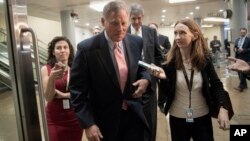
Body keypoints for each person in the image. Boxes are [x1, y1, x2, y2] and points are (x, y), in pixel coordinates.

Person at [69, 1, 151, 141]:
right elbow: (77, 91)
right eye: (114, 23)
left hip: (133, 117)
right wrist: (88, 123)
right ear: (103, 21)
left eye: (124, 23)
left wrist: (146, 79)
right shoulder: (87, 49)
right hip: (104, 122)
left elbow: (142, 67)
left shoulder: (136, 42)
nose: (120, 28)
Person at [149, 19, 233, 141]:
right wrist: (164, 79)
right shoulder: (169, 62)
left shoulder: (205, 59)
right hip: (177, 117)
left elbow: (216, 85)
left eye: (182, 33)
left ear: (195, 35)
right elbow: (166, 92)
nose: (177, 37)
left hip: (202, 116)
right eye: (175, 33)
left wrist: (223, 108)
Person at [127, 3, 164, 141]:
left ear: (142, 17)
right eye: (133, 18)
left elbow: (158, 56)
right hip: (131, 84)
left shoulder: (150, 32)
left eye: (139, 18)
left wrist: (155, 71)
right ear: (129, 17)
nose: (136, 22)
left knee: (150, 122)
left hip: (150, 85)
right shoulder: (123, 32)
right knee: (133, 123)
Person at [41, 36, 83, 141]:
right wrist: (51, 79)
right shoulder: (46, 69)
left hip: (74, 116)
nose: (62, 50)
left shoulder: (76, 68)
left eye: (65, 47)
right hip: (54, 118)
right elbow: (48, 97)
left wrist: (64, 95)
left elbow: (83, 93)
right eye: (58, 48)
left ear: (70, 51)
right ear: (53, 52)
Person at [148, 22, 171, 113]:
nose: (152, 30)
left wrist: (160, 47)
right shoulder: (146, 39)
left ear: (157, 29)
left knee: (162, 86)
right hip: (150, 66)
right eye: (150, 29)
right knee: (150, 85)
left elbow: (169, 51)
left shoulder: (164, 38)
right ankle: (151, 104)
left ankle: (161, 103)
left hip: (161, 66)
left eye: (154, 29)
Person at [234, 28, 250, 92]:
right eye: (241, 32)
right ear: (240, 32)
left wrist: (244, 50)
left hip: (246, 58)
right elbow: (235, 47)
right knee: (239, 72)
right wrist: (235, 49)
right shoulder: (237, 39)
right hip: (238, 58)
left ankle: (241, 86)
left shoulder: (248, 40)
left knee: (242, 72)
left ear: (246, 33)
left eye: (244, 32)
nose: (242, 33)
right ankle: (245, 85)